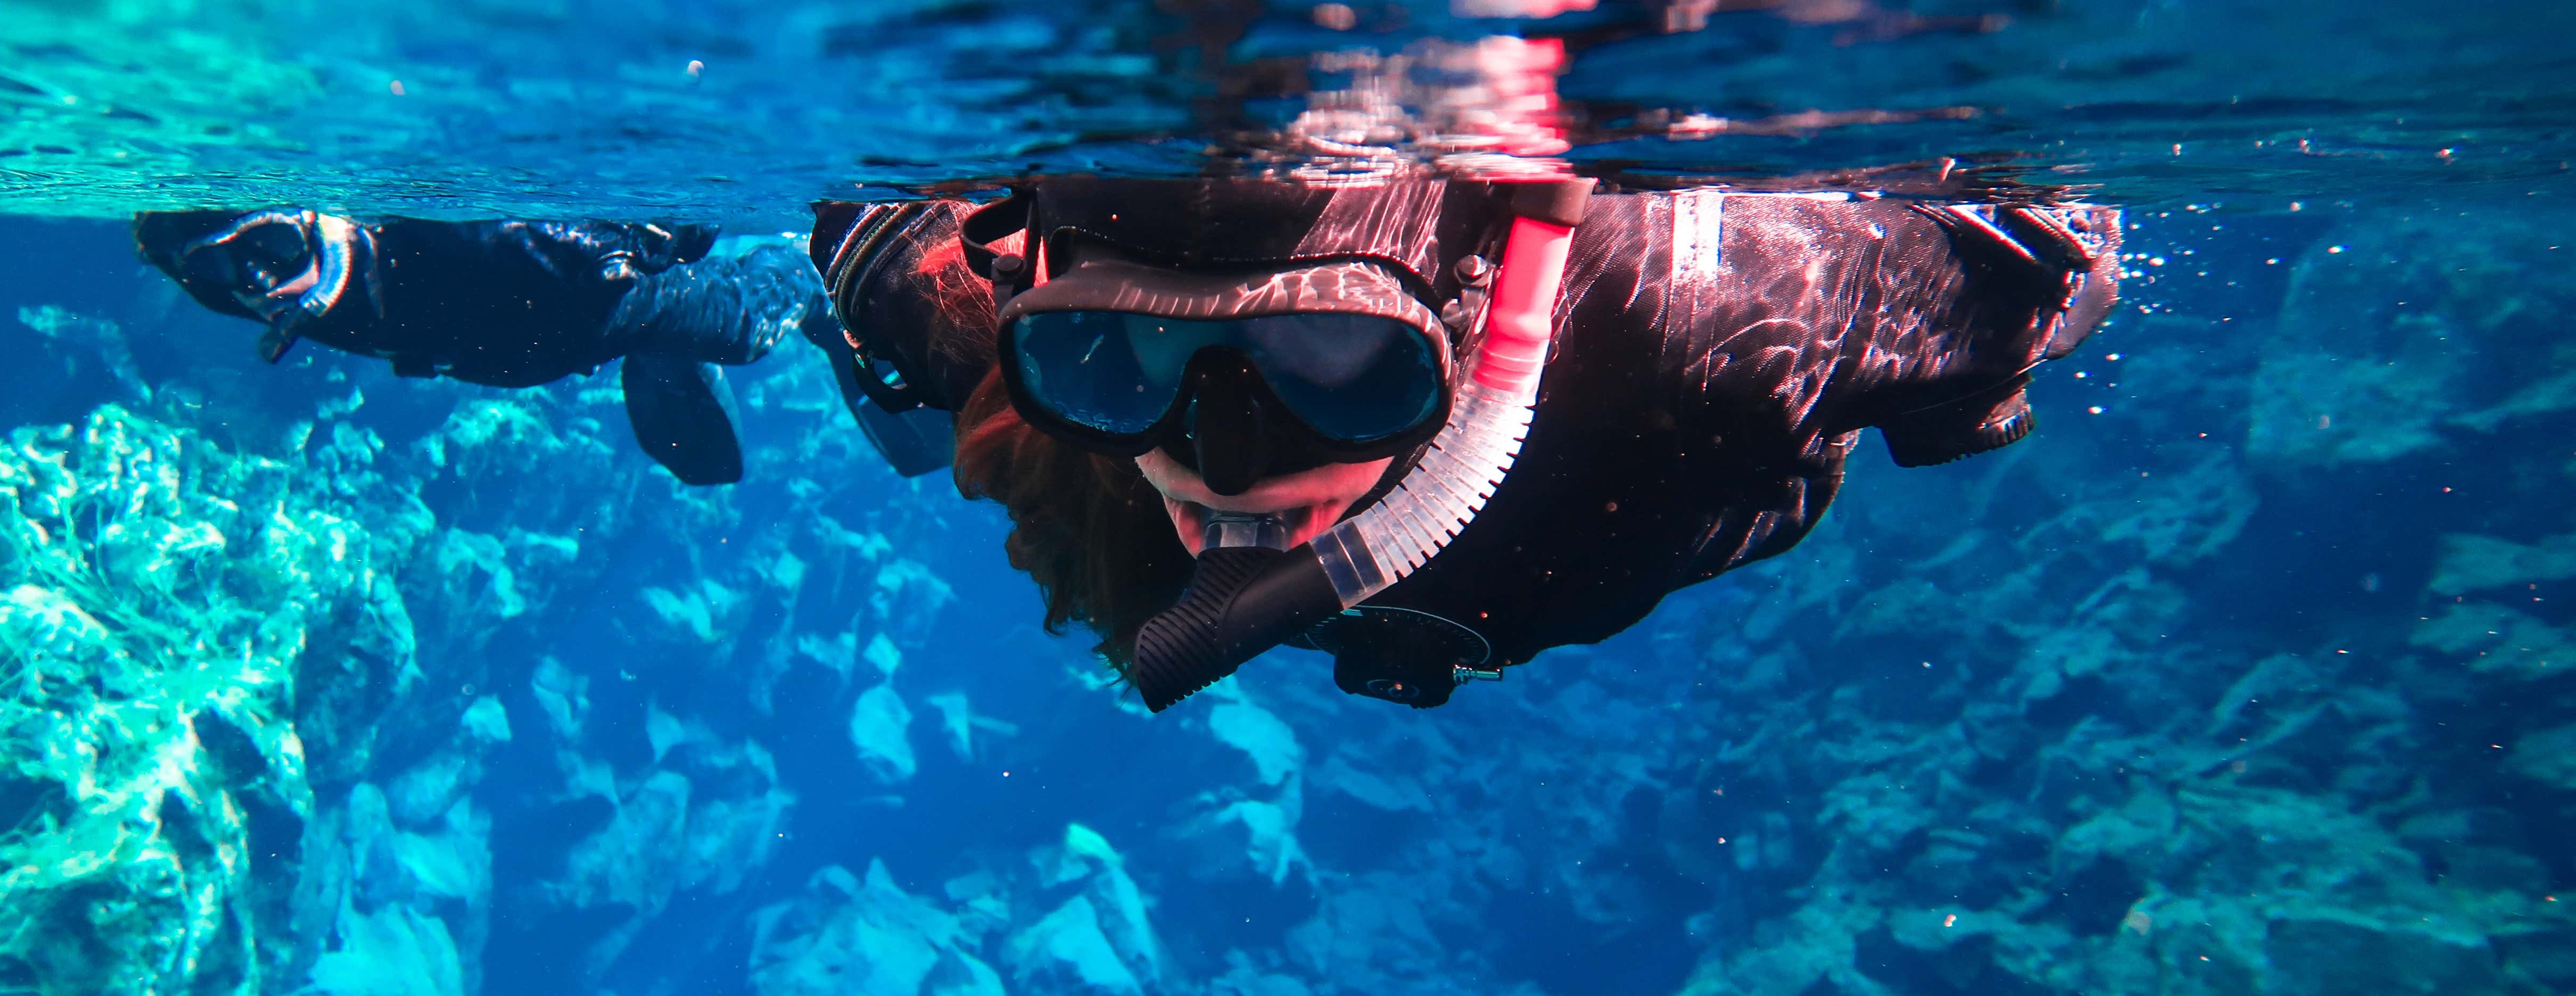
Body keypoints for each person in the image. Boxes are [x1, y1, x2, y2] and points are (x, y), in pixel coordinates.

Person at [811, 170, 2120, 710]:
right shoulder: (1039, 374)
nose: (1223, 466)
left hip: (1657, 476)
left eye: (1332, 363)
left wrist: (1953, 395)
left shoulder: (1697, 315)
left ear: (1464, 317)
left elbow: (2050, 255)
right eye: (1114, 352)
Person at [132, 210, 952, 484]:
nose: (261, 280)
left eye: (274, 248)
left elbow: (629, 248)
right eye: (227, 270)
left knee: (735, 322)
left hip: (593, 301)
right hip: (518, 341)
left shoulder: (530, 249)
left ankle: (813, 272)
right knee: (705, 320)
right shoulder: (222, 274)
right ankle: (704, 330)